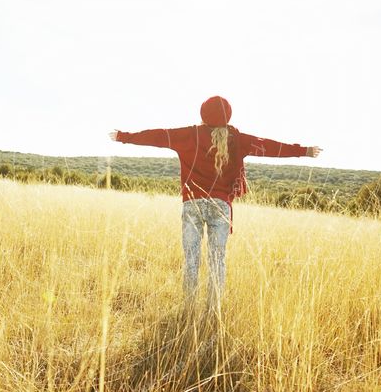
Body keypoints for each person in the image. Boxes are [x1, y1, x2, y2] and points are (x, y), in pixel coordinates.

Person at [109, 96, 321, 313]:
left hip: (192, 204)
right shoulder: (238, 139)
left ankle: (189, 310)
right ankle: (213, 312)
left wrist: (123, 137)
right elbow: (270, 146)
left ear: (203, 114)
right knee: (217, 261)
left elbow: (157, 136)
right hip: (221, 206)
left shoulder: (189, 135)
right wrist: (303, 151)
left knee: (191, 260)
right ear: (228, 115)